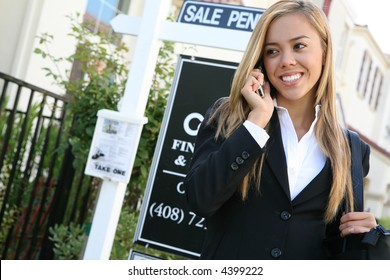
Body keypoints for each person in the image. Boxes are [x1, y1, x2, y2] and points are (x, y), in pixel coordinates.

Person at [183, 0, 378, 259]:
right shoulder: (229, 118)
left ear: (324, 50)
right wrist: (256, 122)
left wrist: (367, 233)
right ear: (261, 60)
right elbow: (200, 199)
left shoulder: (351, 149)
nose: (286, 61)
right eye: (272, 51)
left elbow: (335, 247)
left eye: (299, 46)